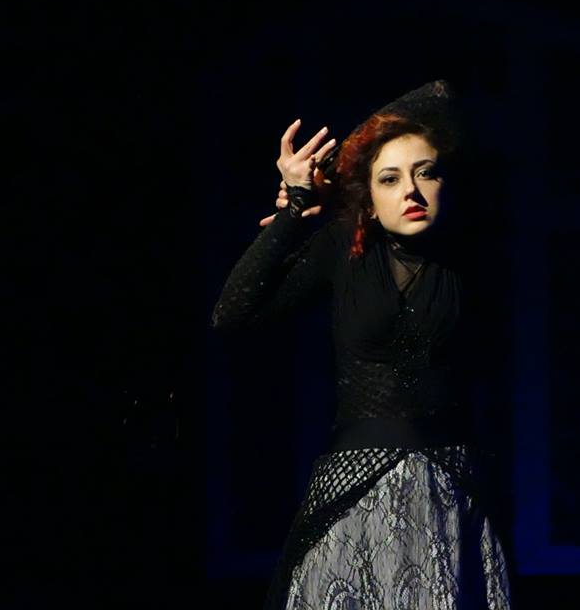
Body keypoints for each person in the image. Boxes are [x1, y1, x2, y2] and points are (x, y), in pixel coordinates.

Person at [211, 80, 513, 609]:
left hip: (449, 494)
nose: (411, 191)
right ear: (369, 202)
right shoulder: (342, 250)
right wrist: (296, 208)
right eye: (390, 179)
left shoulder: (471, 253)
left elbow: (446, 101)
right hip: (354, 491)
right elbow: (231, 315)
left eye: (425, 173)